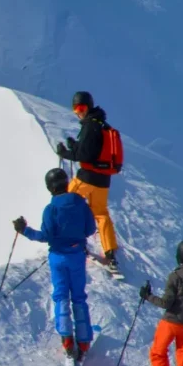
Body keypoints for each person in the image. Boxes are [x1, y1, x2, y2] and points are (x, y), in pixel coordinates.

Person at [13, 167, 97, 366]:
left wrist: (24, 230)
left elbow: (45, 236)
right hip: (77, 255)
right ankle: (83, 343)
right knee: (78, 296)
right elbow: (91, 229)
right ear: (66, 183)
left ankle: (67, 343)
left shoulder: (51, 209)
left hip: (58, 257)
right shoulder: (81, 204)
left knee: (61, 296)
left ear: (49, 188)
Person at [55, 91, 122, 274]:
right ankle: (110, 253)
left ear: (89, 107)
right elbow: (91, 150)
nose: (79, 112)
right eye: (76, 109)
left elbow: (85, 155)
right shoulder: (101, 124)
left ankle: (65, 238)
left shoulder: (90, 126)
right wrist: (74, 146)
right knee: (100, 213)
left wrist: (65, 153)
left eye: (82, 108)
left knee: (64, 201)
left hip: (87, 176)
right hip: (103, 179)